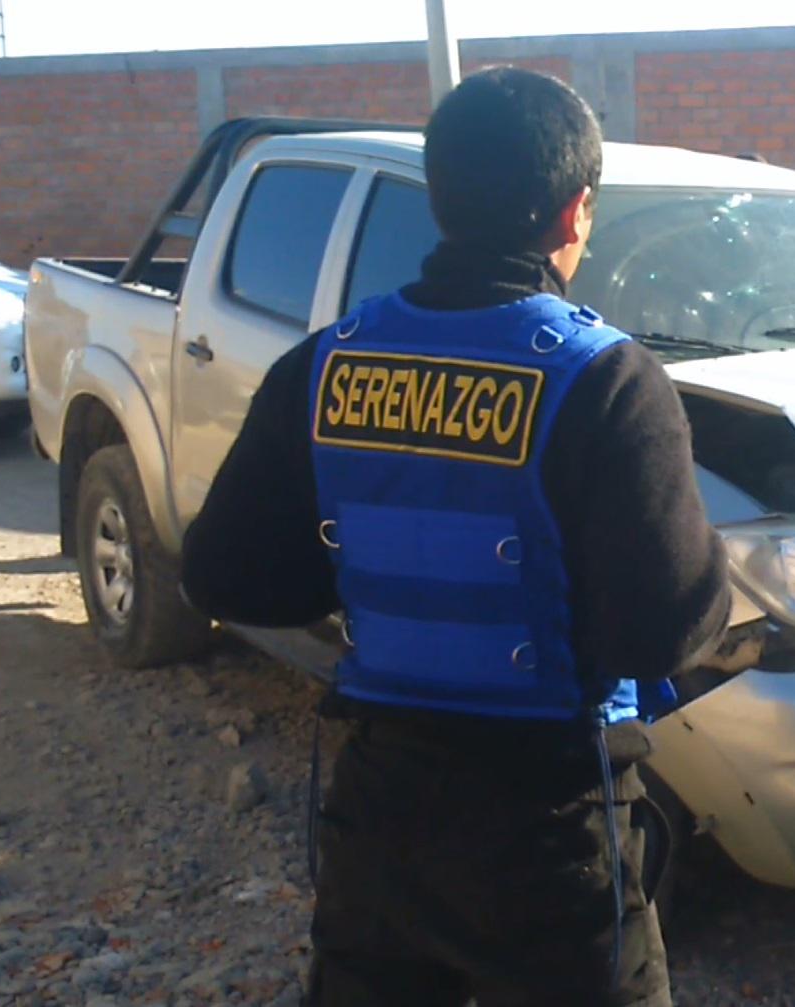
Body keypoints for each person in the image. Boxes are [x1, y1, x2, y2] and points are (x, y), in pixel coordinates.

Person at [179, 67, 731, 1004]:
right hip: (548, 834)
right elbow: (660, 632)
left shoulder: (324, 364)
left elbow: (226, 575)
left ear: (438, 199)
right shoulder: (606, 380)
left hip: (380, 822)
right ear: (575, 211)